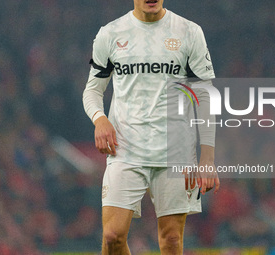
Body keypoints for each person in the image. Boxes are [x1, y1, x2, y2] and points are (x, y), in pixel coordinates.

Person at [83, 0, 220, 254]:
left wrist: (208, 158)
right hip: (125, 148)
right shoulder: (110, 33)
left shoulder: (189, 32)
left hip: (175, 150)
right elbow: (93, 90)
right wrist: (99, 118)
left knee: (171, 240)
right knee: (112, 236)